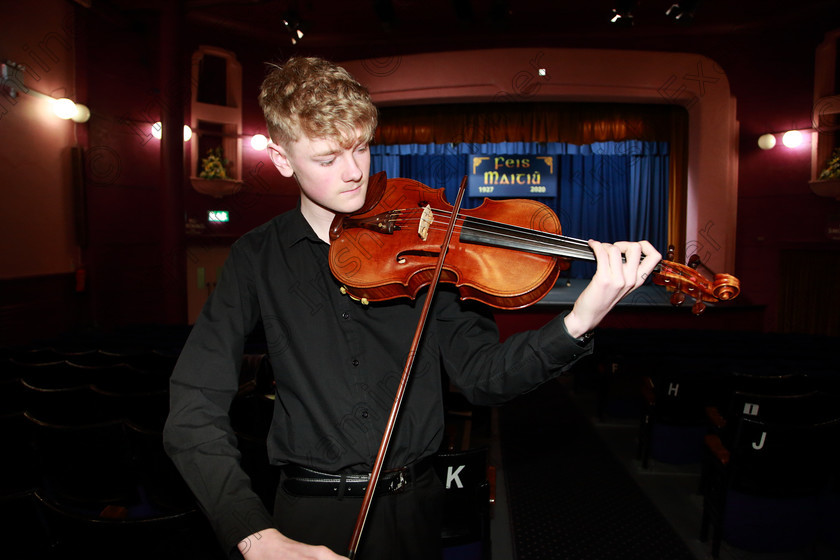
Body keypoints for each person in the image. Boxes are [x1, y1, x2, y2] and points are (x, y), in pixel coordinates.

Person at [163, 56, 661, 560]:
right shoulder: (256, 257)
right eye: (327, 158)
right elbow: (191, 412)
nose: (354, 172)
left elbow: (485, 378)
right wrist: (255, 536)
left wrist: (582, 318)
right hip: (310, 516)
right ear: (281, 158)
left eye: (361, 147)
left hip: (420, 507)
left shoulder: (431, 245)